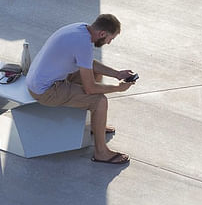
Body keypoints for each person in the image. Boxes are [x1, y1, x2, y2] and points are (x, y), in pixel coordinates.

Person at [26, 13, 135, 165]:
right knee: (99, 101)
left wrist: (117, 74)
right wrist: (118, 88)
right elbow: (90, 88)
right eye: (110, 39)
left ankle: (93, 124)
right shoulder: (83, 44)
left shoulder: (80, 28)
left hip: (38, 79)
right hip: (46, 91)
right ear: (102, 33)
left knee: (94, 73)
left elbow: (87, 62)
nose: (109, 43)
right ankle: (101, 153)